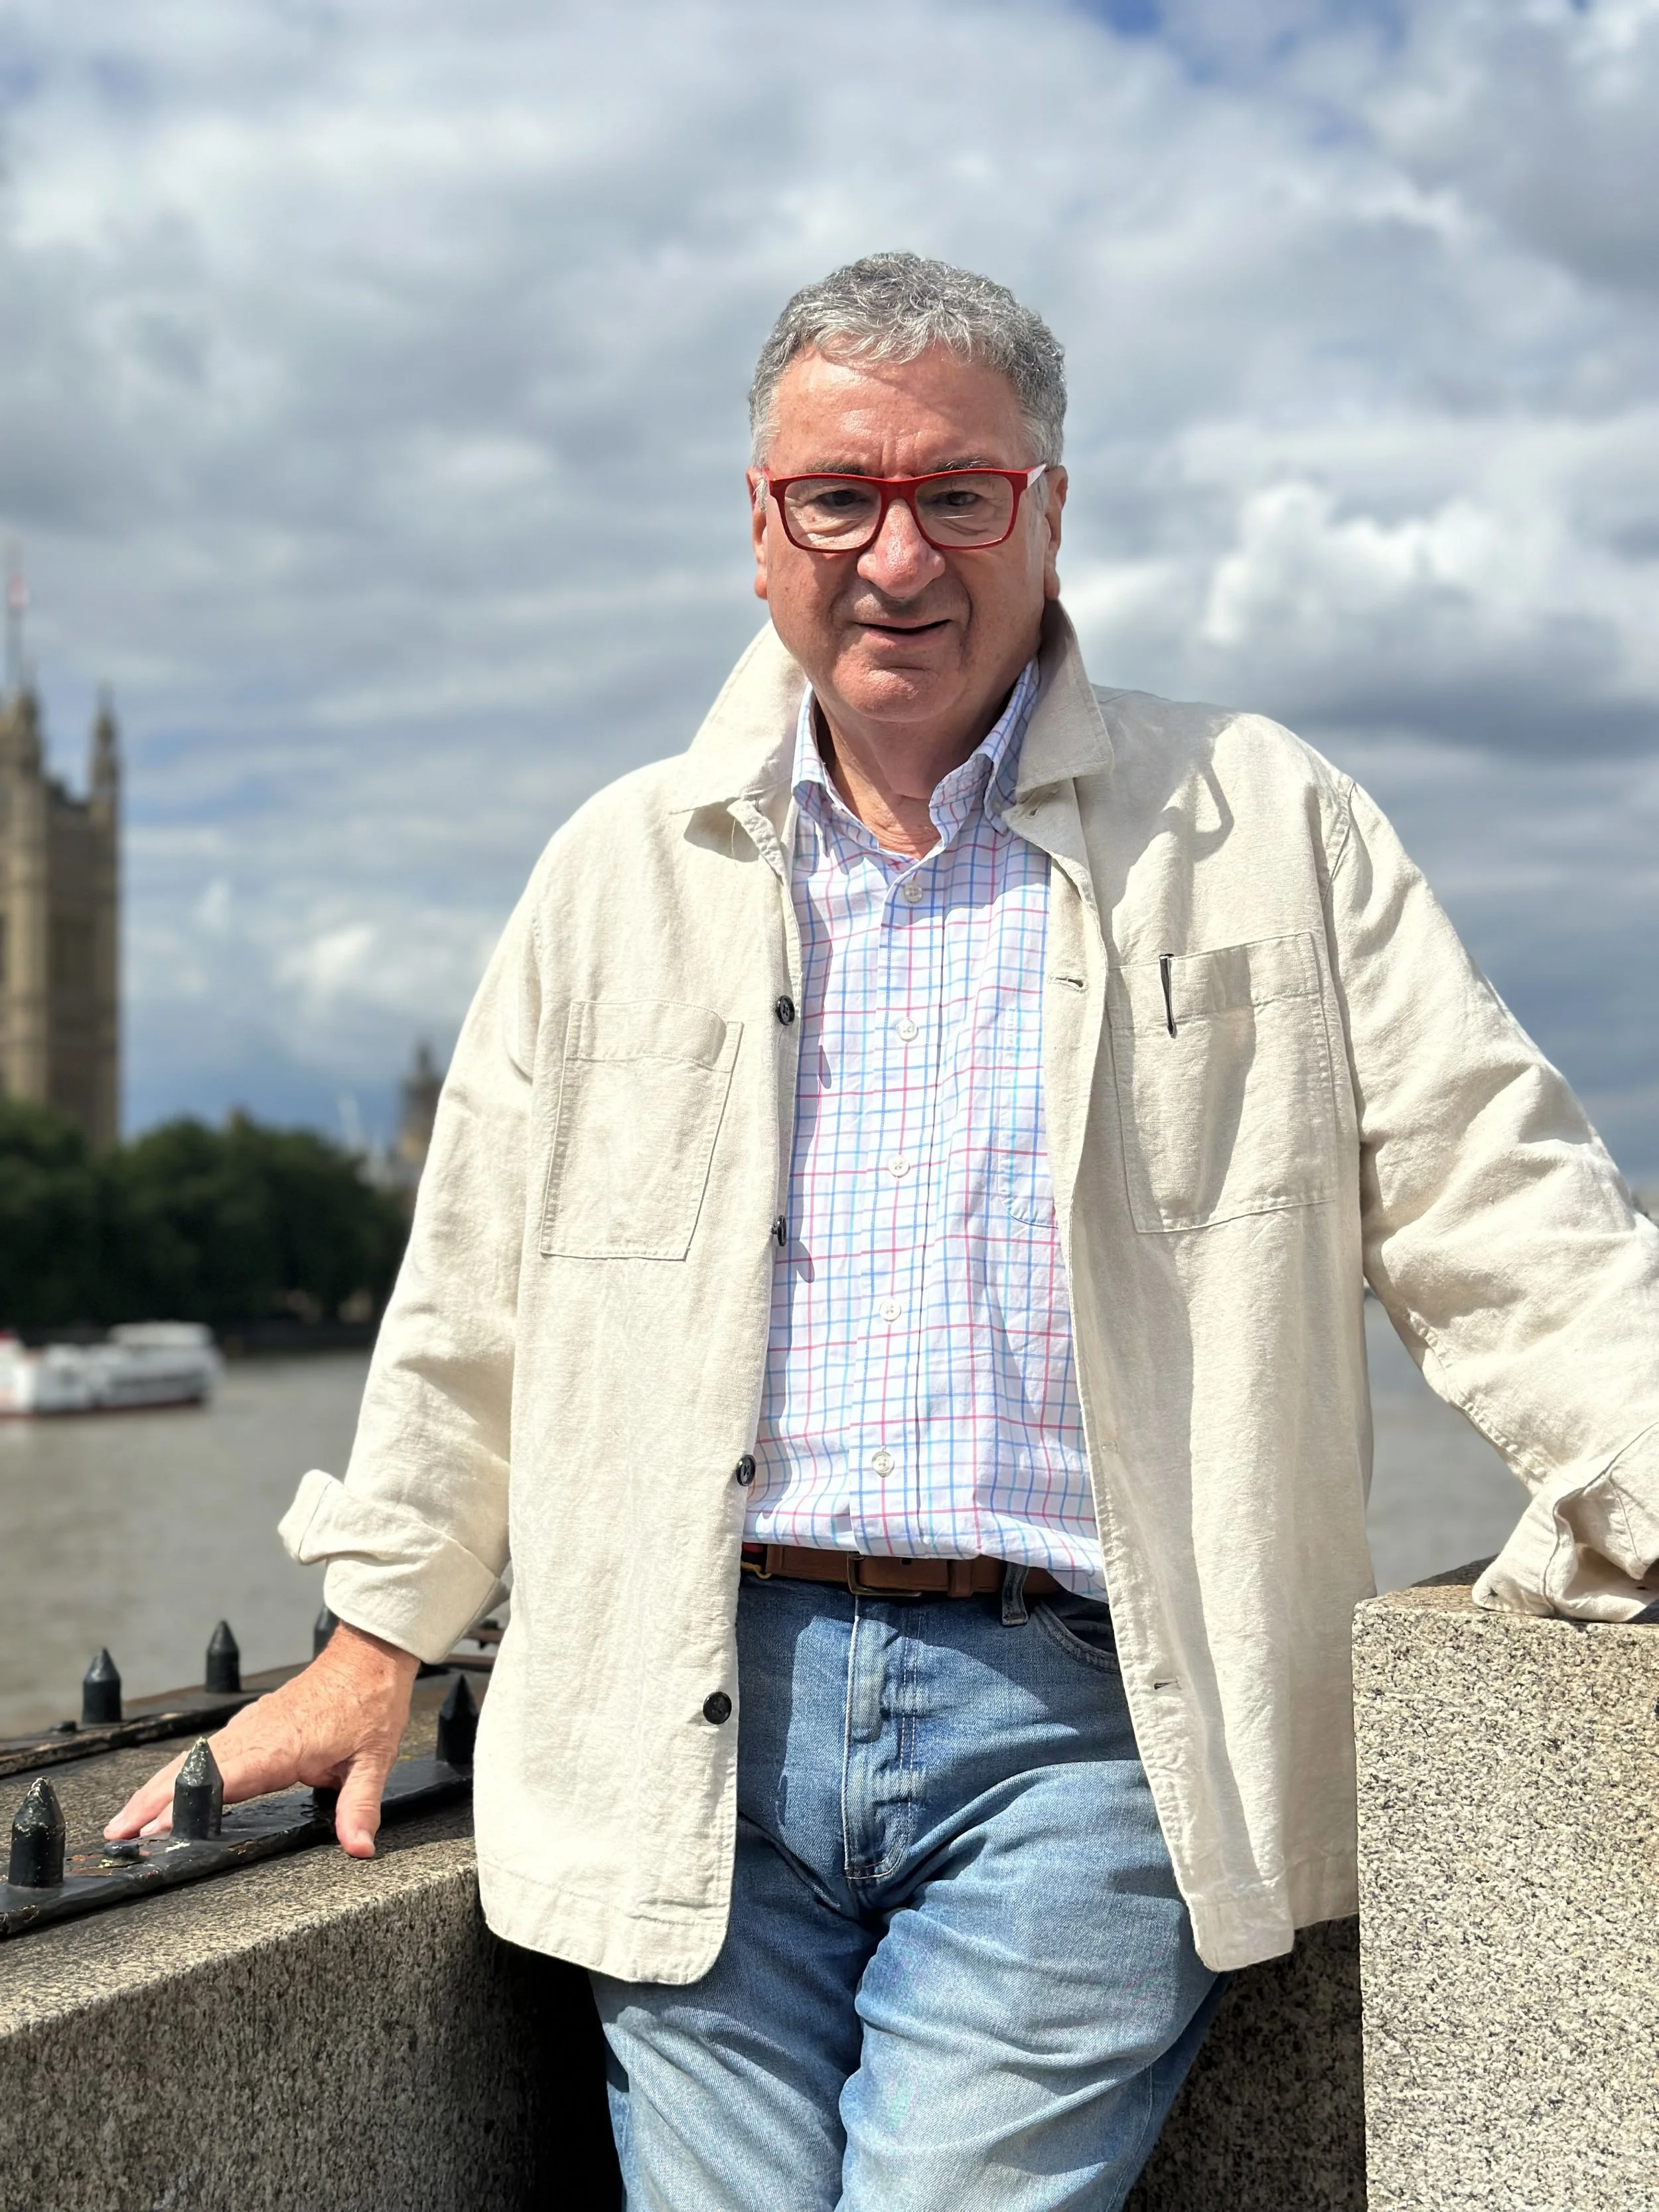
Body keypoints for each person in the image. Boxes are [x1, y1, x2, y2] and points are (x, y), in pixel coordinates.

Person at [111, 252, 1659, 2209]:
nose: (895, 553)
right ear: (760, 532)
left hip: (1085, 1738)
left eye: (957, 493)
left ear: (1051, 510)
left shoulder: (1262, 821)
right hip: (689, 1720)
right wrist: (371, 1638)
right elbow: (475, 1300)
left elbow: (1495, 1191)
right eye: (837, 497)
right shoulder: (615, 872)